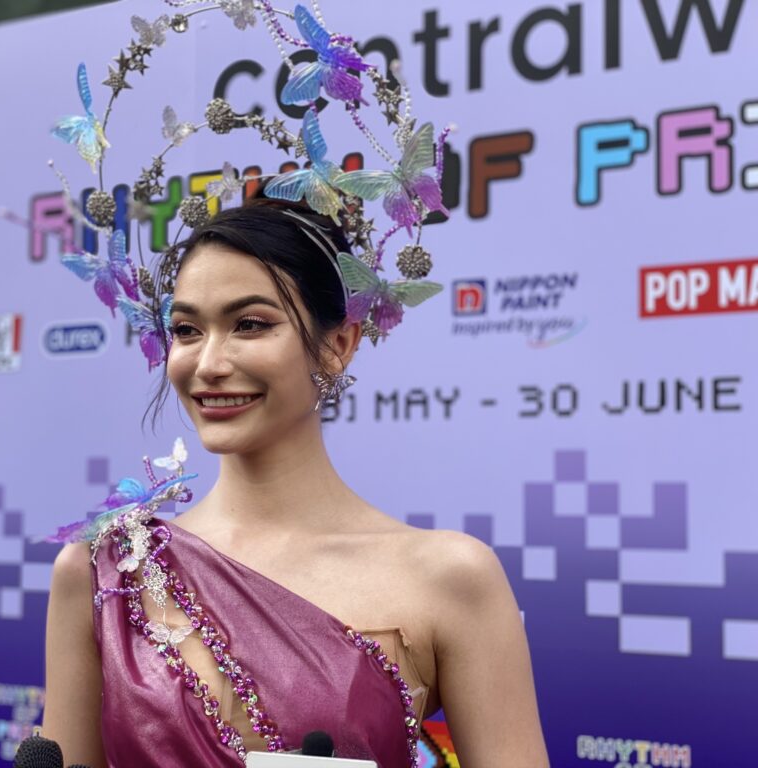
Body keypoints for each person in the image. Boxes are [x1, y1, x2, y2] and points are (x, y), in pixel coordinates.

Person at [41, 197, 551, 767]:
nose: (208, 364)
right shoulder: (105, 570)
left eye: (250, 324)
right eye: (186, 330)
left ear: (338, 346)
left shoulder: (450, 577)